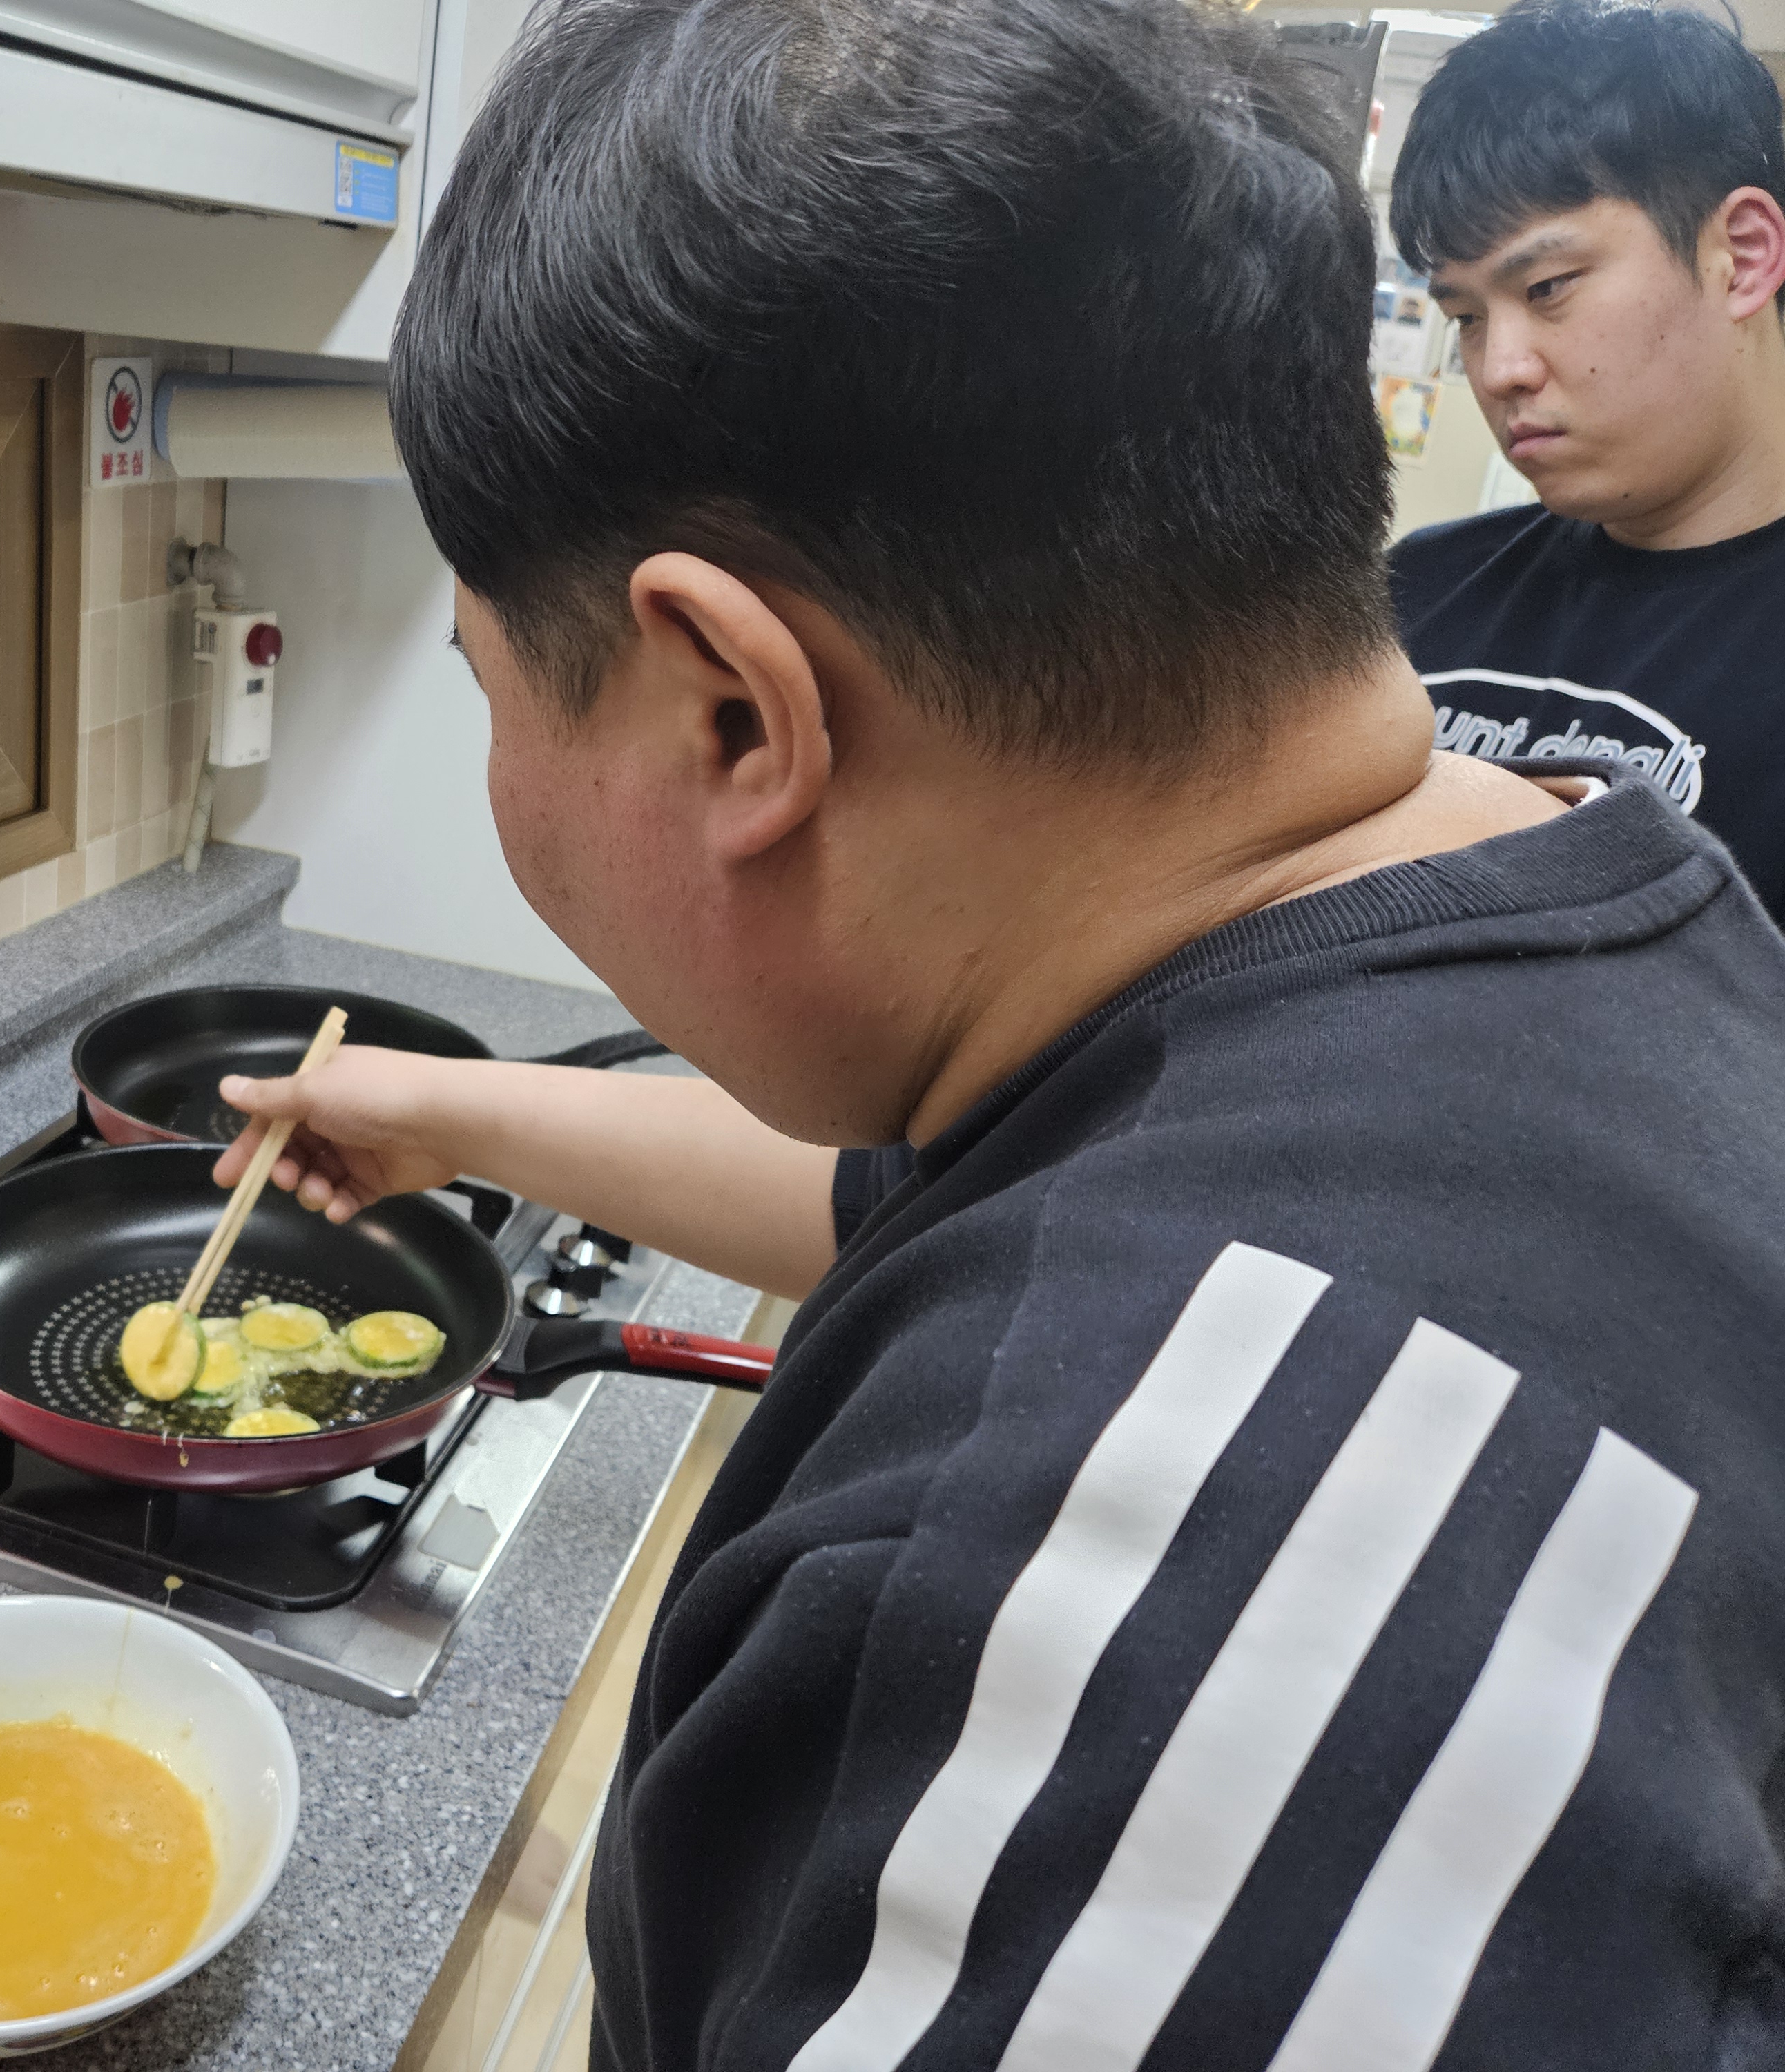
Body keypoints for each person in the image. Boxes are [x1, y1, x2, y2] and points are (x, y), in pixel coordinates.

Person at [204, 0, 1785, 2066]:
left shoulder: (1089, 1681)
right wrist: (443, 1110)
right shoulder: (1561, 910)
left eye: (488, 685)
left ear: (734, 711)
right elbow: (932, 1191)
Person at [1389, 0, 1785, 914]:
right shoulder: (1415, 593)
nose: (1500, 369)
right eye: (1466, 317)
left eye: (1548, 287)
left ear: (1743, 255)